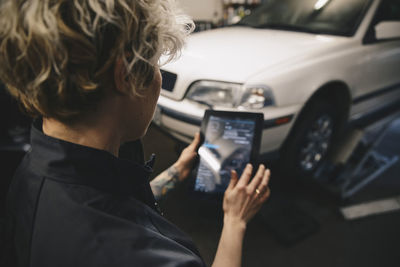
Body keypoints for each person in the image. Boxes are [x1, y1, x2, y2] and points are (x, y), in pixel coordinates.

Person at [0, 0, 271, 266]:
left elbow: (111, 203)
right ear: (126, 75)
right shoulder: (135, 255)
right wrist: (235, 220)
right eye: (156, 64)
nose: (158, 77)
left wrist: (177, 171)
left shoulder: (34, 167)